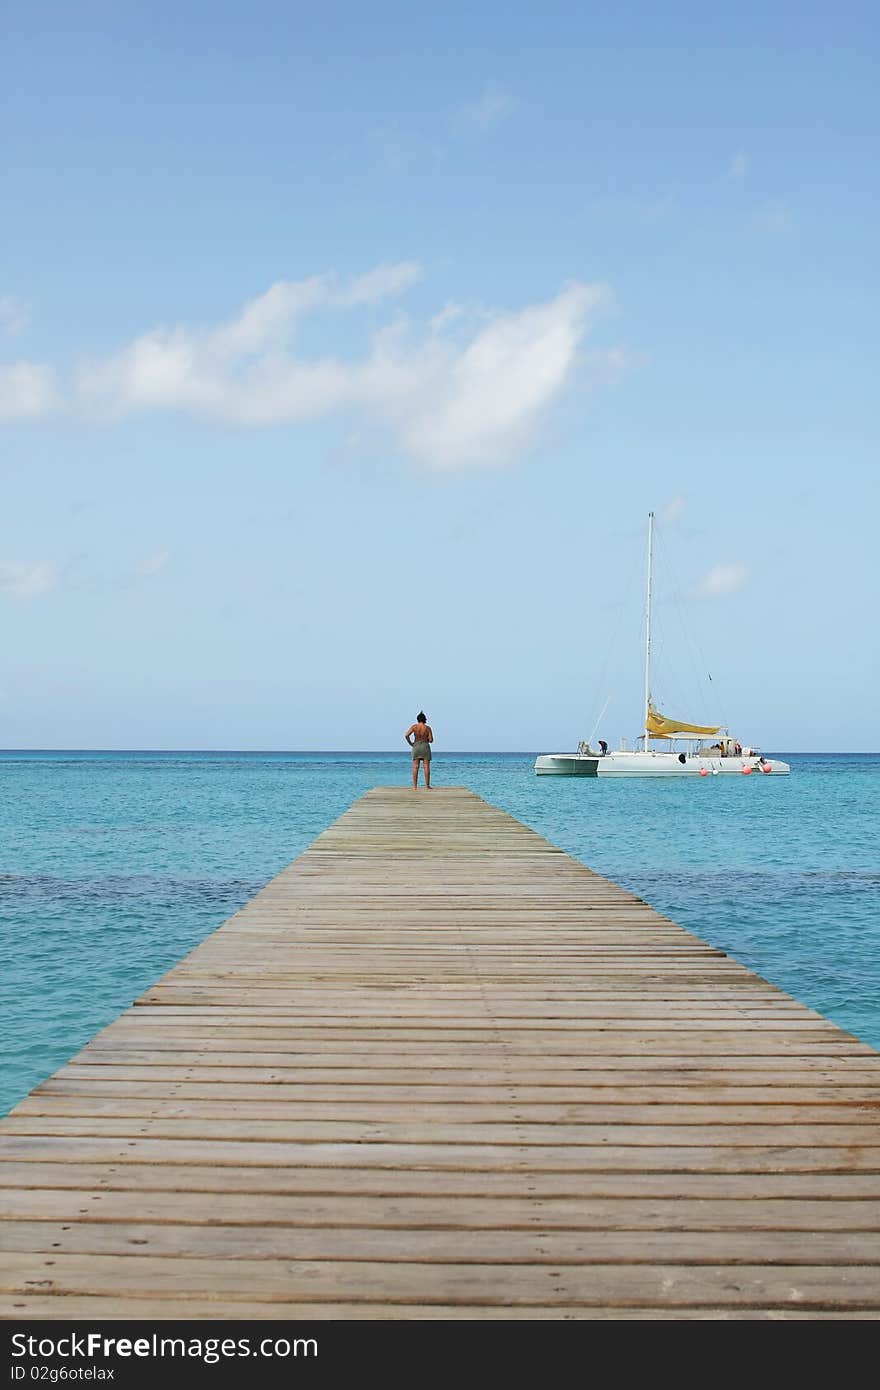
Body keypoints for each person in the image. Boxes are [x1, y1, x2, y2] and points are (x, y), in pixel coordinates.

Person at [405, 711, 434, 789]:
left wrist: (410, 743)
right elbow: (431, 740)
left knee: (415, 767)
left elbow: (406, 735)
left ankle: (414, 786)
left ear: (417, 719)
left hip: (416, 746)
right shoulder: (427, 728)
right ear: (425, 719)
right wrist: (427, 738)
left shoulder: (414, 727)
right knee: (426, 767)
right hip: (425, 746)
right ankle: (427, 786)